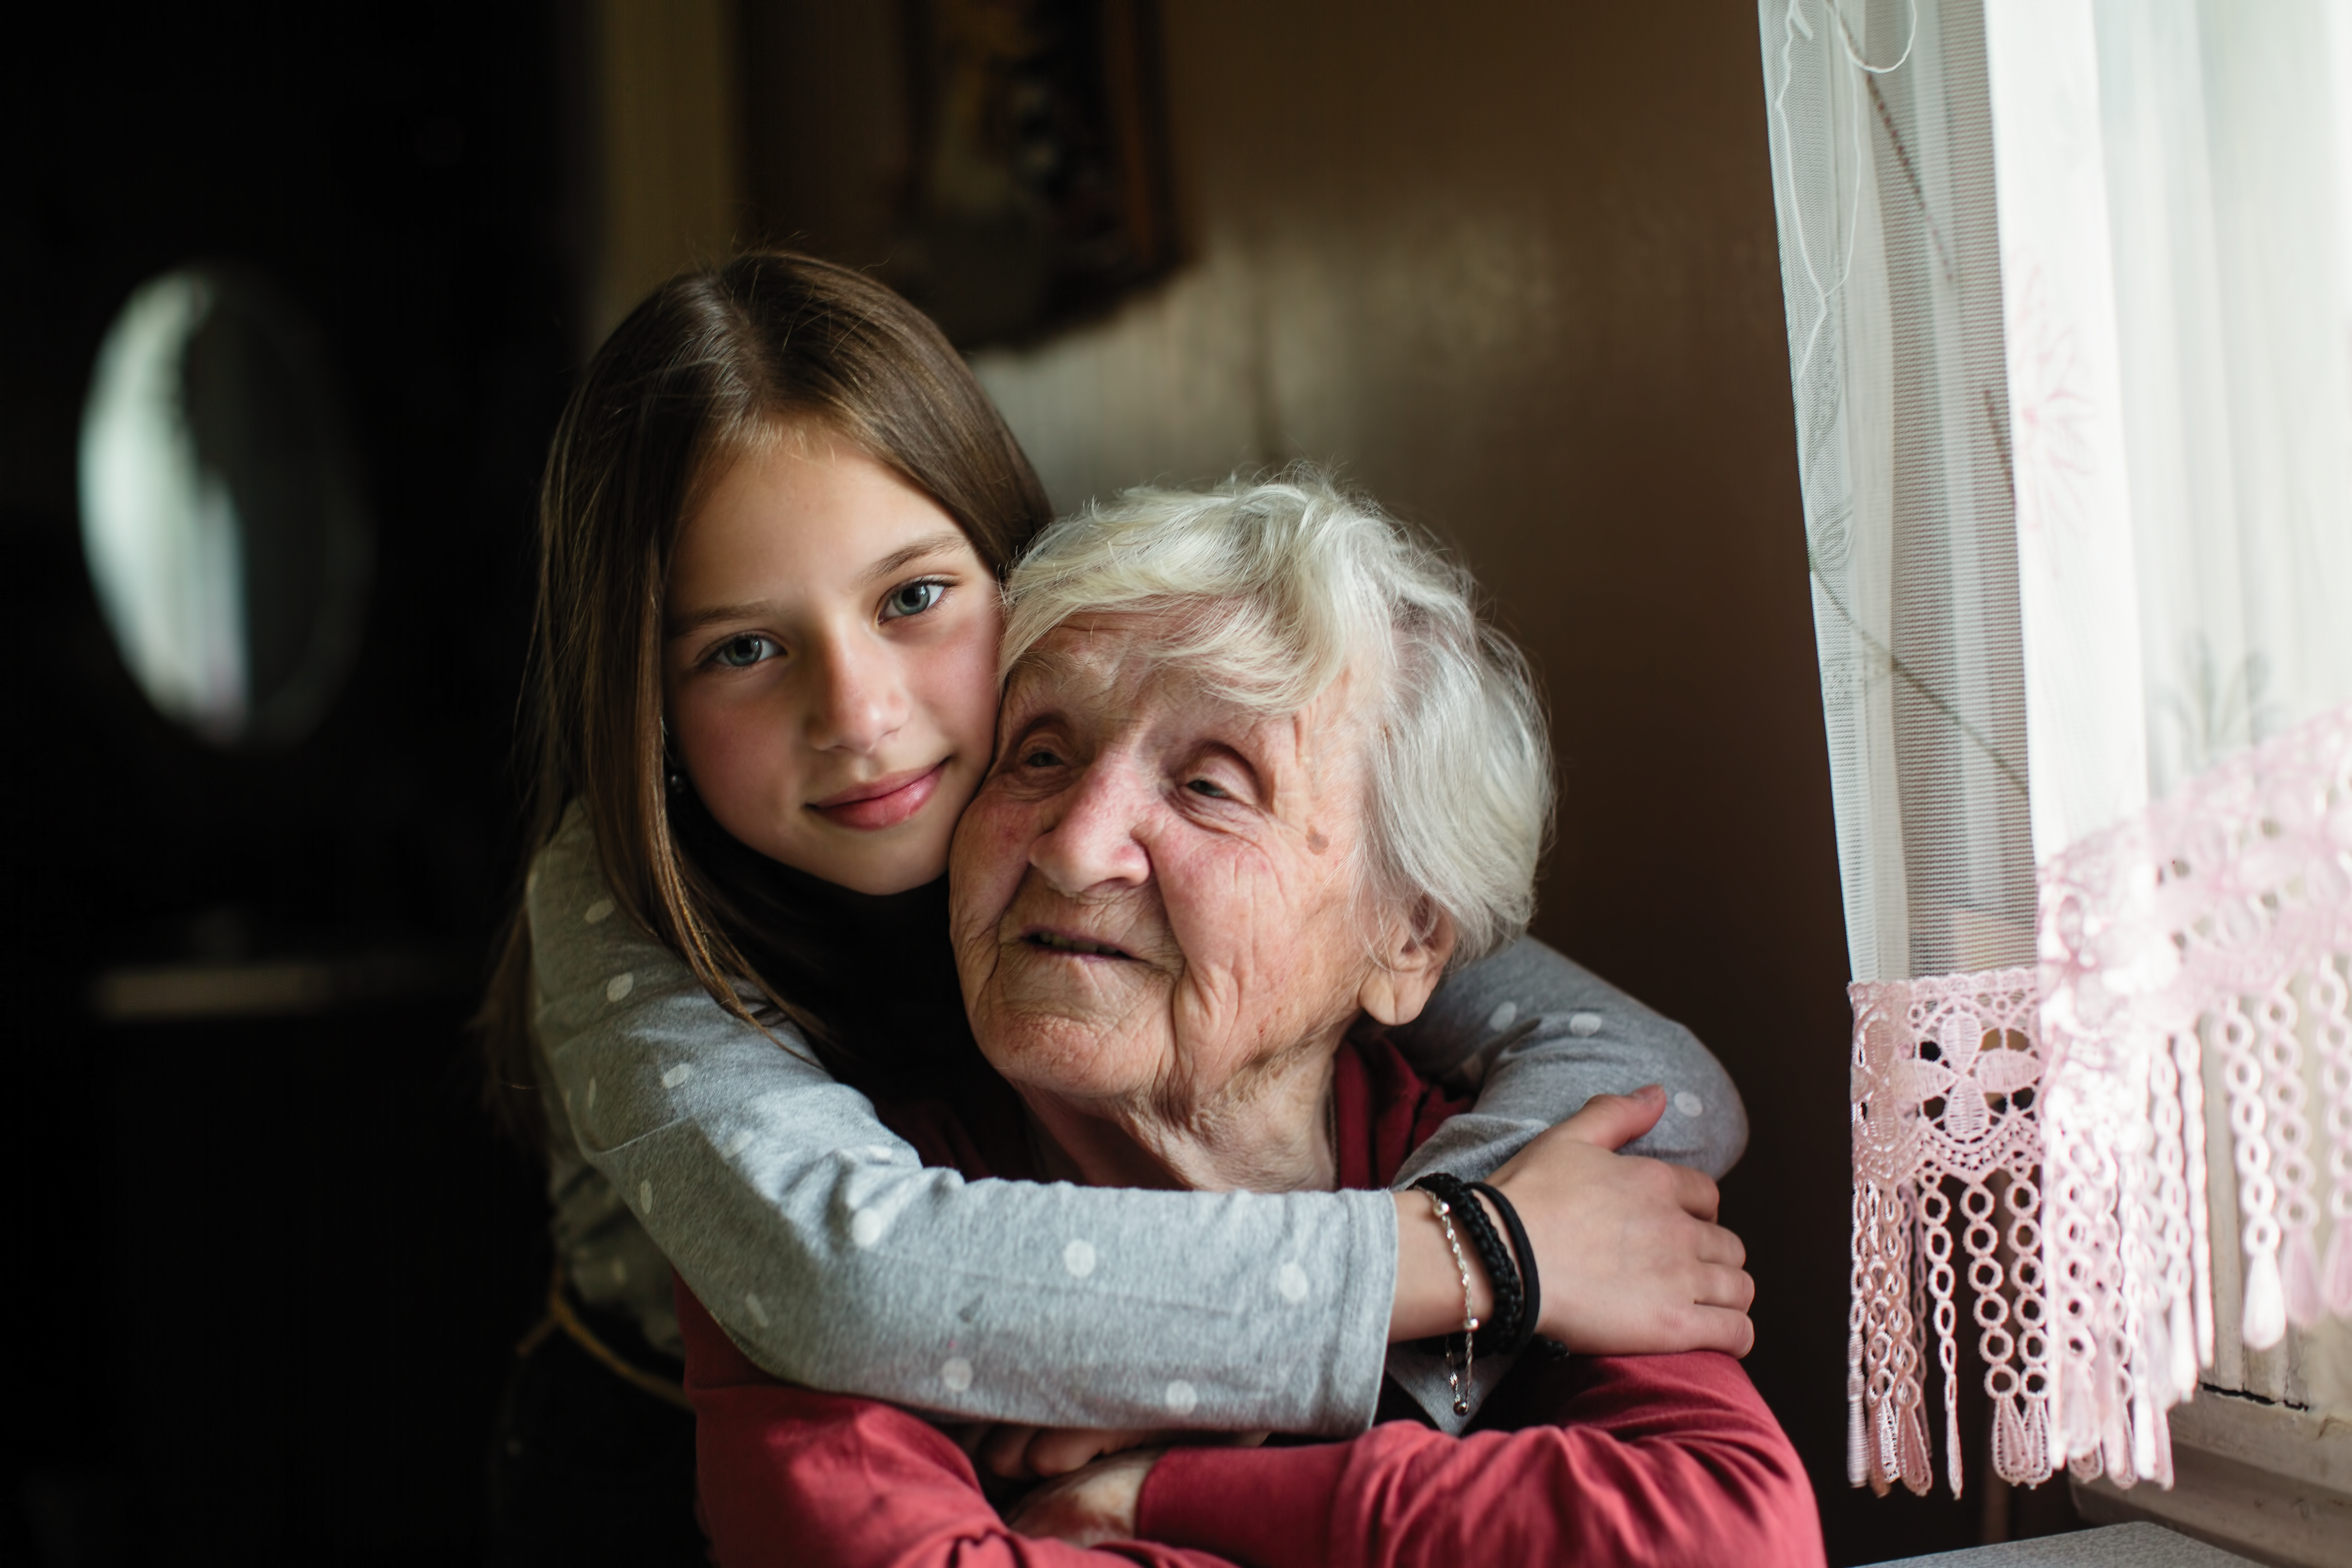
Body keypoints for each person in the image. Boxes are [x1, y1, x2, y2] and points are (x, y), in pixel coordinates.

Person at [478, 253, 1754, 1561]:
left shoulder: (1265, 869)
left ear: (1015, 579)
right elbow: (847, 1280)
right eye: (743, 648)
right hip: (653, 1455)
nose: (858, 716)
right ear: (647, 707)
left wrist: (1373, 1369)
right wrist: (1474, 1257)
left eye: (913, 598)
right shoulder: (619, 902)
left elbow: (1660, 1081)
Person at [682, 475, 1817, 1566]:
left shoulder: (1538, 1183)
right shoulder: (828, 1225)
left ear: (1408, 937)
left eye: (1210, 785)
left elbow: (1728, 1537)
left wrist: (1163, 1491)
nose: (1076, 845)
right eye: (1041, 752)